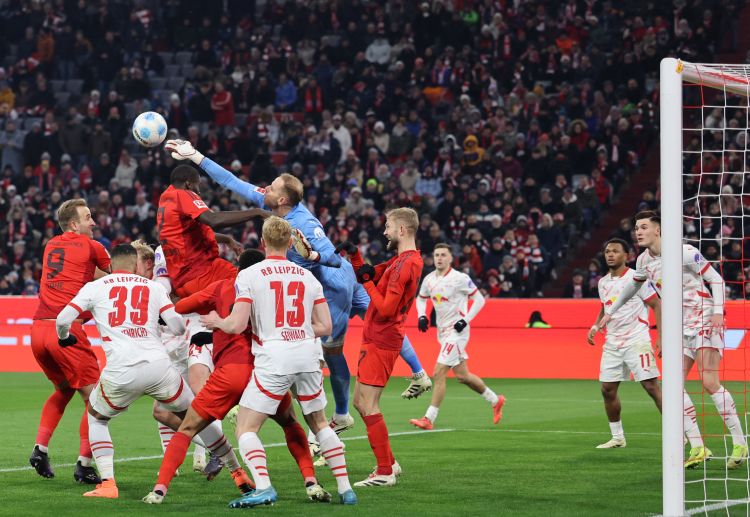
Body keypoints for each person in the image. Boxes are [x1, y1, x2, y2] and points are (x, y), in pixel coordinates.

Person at [164, 139, 430, 438]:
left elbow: (331, 256)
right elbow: (232, 181)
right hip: (332, 282)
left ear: (281, 200)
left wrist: (312, 255)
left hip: (333, 286)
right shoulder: (276, 211)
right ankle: (415, 374)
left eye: (272, 187)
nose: (265, 188)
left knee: (328, 351)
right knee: (371, 327)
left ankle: (335, 419)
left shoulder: (302, 222)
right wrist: (197, 157)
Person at [56, 245, 250, 499]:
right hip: (159, 368)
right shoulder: (154, 287)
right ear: (136, 266)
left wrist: (64, 338)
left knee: (97, 418)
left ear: (111, 266)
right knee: (196, 417)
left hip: (122, 370)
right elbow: (178, 326)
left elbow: (62, 319)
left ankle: (108, 484)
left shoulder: (95, 287)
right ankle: (238, 473)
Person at [142, 248, 332, 504]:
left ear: (238, 267)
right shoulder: (270, 289)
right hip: (265, 373)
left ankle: (159, 491)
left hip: (230, 373)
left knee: (187, 428)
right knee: (291, 424)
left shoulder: (223, 286)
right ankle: (311, 482)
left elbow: (181, 306)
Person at [200, 217, 357, 507]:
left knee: (245, 427)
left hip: (274, 357)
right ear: (289, 243)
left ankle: (264, 487)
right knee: (320, 423)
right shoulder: (307, 277)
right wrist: (299, 327)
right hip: (309, 355)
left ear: (263, 241)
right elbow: (325, 327)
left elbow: (236, 325)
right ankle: (346, 489)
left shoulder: (248, 276)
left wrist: (215, 321)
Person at [599, 211, 748, 469]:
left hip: (703, 318)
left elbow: (716, 280)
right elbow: (632, 286)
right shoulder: (644, 260)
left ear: (658, 230)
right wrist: (608, 313)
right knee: (672, 387)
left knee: (709, 381)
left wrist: (716, 312)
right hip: (680, 327)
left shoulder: (684, 252)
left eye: (644, 227)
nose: (638, 231)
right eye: (636, 227)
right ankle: (698, 446)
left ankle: (739, 442)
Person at [339, 208, 423, 487]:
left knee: (367, 403)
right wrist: (355, 257)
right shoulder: (402, 261)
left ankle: (385, 471)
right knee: (360, 402)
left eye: (388, 226)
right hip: (376, 337)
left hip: (383, 338)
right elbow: (369, 273)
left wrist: (366, 284)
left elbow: (386, 308)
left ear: (401, 230)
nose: (384, 231)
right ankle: (390, 463)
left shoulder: (406, 264)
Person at [29, 199, 111, 484]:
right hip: (66, 331)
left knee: (63, 390)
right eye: (88, 217)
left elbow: (84, 274)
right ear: (74, 224)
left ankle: (40, 448)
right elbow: (115, 276)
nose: (94, 222)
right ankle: (85, 464)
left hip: (38, 330)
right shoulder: (93, 247)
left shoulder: (51, 245)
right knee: (97, 398)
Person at [130, 240, 222, 478]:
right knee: (164, 408)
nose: (131, 267)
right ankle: (203, 453)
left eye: (135, 262)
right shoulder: (144, 282)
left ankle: (213, 450)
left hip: (185, 333)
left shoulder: (162, 261)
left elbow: (165, 291)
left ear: (148, 263)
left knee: (188, 402)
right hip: (177, 338)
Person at [410, 244, 505, 430]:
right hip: (443, 333)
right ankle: (495, 400)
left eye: (443, 255)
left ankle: (429, 418)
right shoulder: (429, 279)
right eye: (436, 255)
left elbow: (480, 300)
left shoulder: (460, 278)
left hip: (458, 333)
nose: (439, 258)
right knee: (463, 376)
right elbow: (421, 298)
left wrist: (466, 320)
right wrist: (421, 315)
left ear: (451, 258)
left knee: (438, 373)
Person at [587, 238, 662, 448]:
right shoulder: (603, 282)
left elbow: (656, 304)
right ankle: (618, 437)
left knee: (650, 386)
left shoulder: (636, 278)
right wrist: (595, 326)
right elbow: (606, 307)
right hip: (612, 342)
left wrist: (661, 337)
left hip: (637, 339)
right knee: (607, 389)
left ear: (626, 256)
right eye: (607, 251)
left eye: (615, 251)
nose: (610, 254)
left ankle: (680, 432)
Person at [156, 160, 266, 298]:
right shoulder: (182, 194)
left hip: (184, 279)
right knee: (254, 285)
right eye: (197, 185)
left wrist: (227, 239)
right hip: (202, 273)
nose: (199, 191)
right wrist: (257, 212)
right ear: (188, 184)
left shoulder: (166, 198)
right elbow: (213, 220)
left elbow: (192, 235)